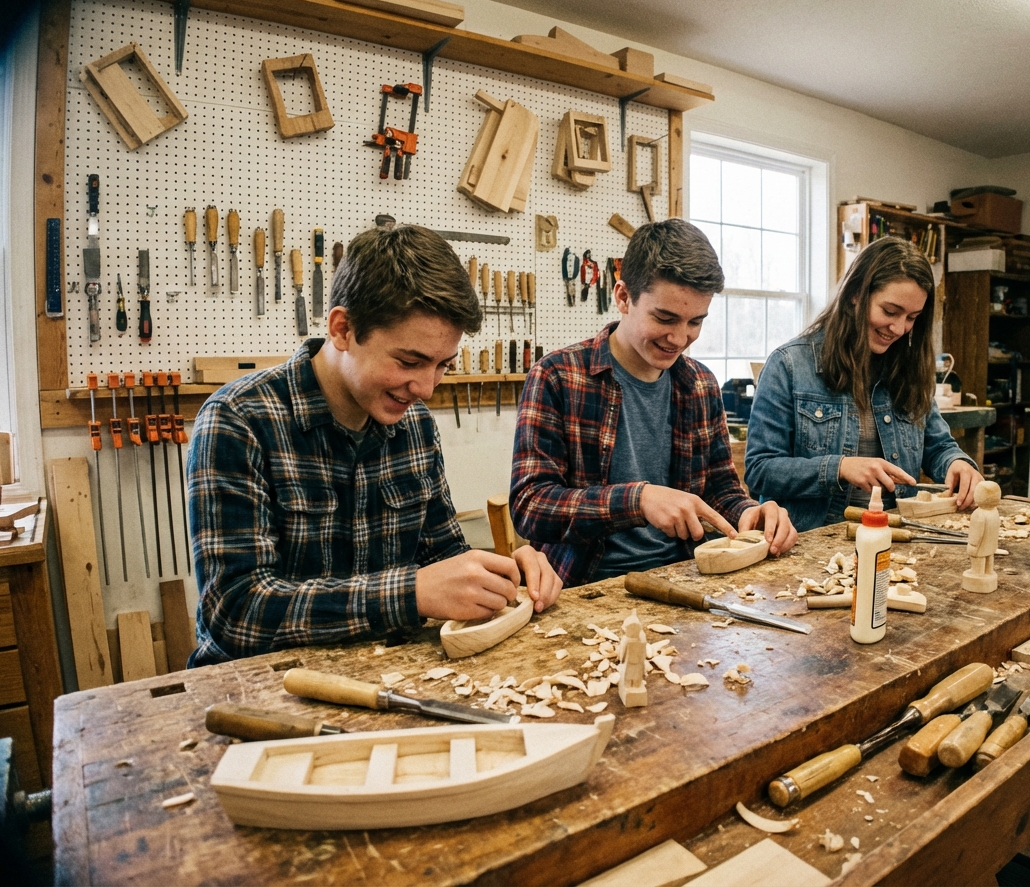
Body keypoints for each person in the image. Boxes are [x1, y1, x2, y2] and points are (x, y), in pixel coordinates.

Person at [187, 225, 561, 666]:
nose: (426, 388)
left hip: (387, 673)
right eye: (409, 361)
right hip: (263, 695)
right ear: (342, 329)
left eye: (443, 365)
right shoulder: (238, 420)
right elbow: (235, 613)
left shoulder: (414, 425)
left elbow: (443, 556)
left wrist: (504, 573)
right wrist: (410, 594)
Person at [509, 219, 798, 587]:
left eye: (696, 321)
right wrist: (639, 500)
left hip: (685, 577)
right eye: (664, 318)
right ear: (623, 297)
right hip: (586, 587)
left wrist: (752, 513)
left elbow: (720, 488)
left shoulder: (699, 383)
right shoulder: (557, 376)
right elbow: (531, 506)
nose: (679, 338)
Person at [744, 235, 982, 532]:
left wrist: (956, 464)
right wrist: (841, 468)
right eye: (890, 311)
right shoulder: (789, 365)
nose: (898, 328)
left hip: (894, 533)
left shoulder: (908, 369)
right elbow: (760, 470)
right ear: (855, 293)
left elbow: (938, 446)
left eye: (912, 318)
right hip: (812, 543)